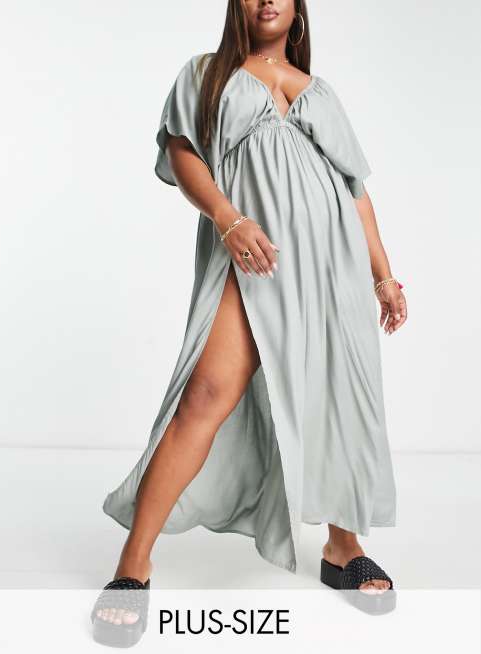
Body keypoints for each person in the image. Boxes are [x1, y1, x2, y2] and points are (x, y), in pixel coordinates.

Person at [91, 0, 407, 644]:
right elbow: (183, 153)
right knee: (205, 395)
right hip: (255, 258)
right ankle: (132, 564)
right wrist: (228, 219)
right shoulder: (206, 73)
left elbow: (355, 192)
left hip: (333, 267)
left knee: (337, 401)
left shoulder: (320, 91)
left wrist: (383, 274)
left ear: (297, 10)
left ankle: (343, 548)